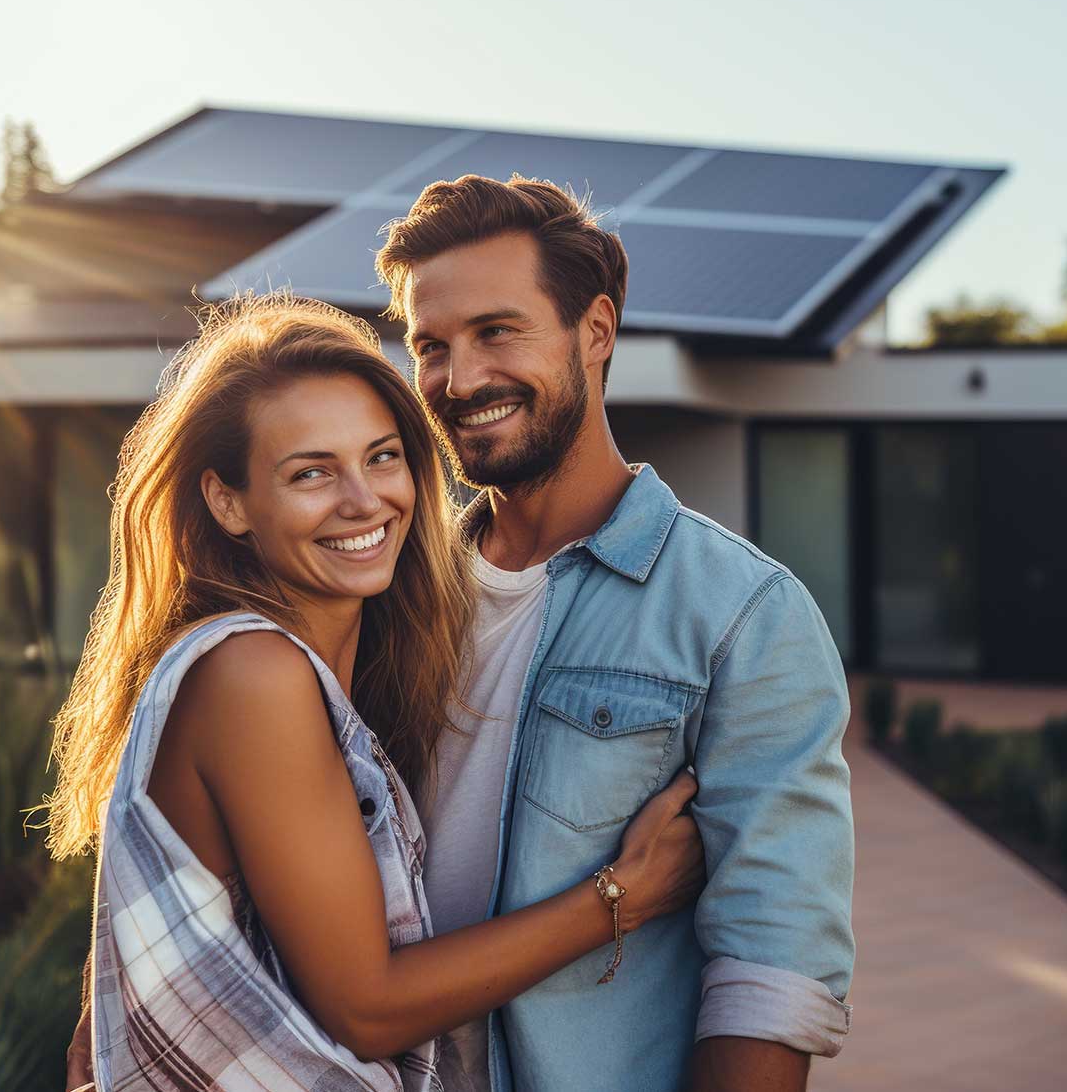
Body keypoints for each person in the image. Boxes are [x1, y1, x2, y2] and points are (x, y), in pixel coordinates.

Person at [45, 295, 707, 1091]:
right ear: (228, 501)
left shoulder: (292, 672)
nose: (363, 501)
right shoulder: (254, 672)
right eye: (311, 472)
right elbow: (365, 1007)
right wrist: (618, 898)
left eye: (382, 456)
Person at [371, 174, 856, 1092]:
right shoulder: (391, 591)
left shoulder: (743, 614)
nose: (460, 379)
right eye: (430, 345)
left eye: (497, 331)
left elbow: (770, 976)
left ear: (594, 331)